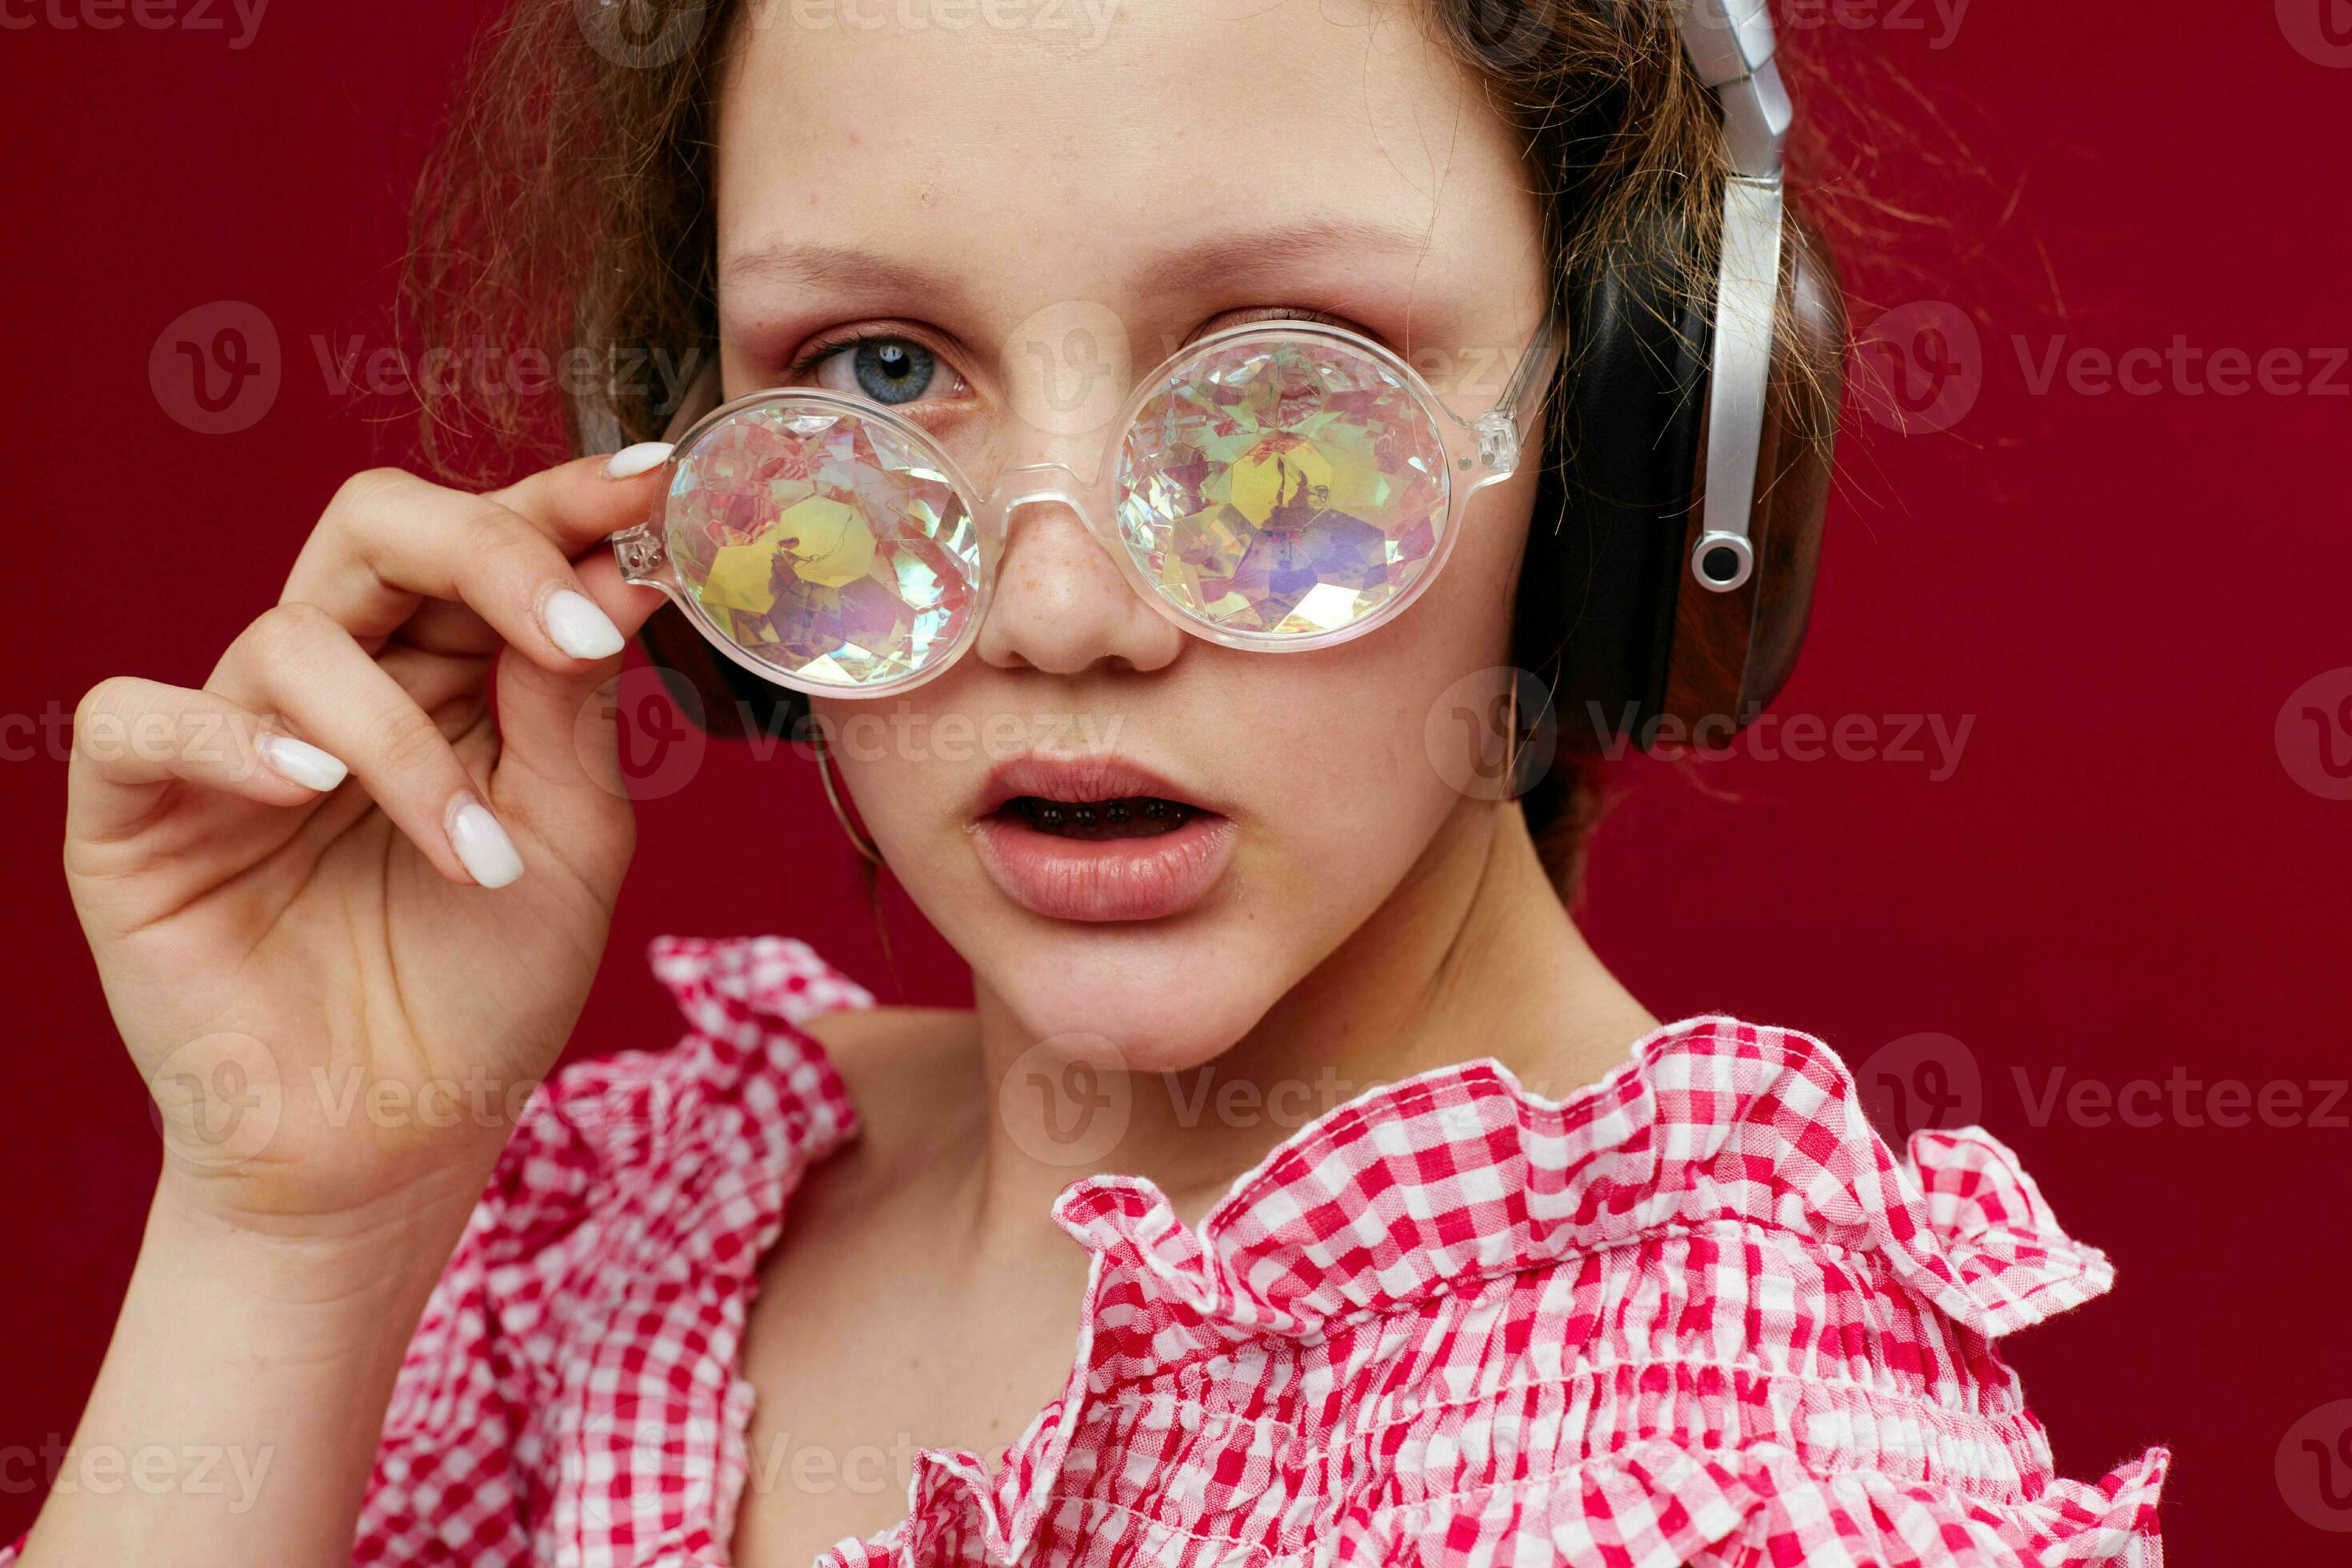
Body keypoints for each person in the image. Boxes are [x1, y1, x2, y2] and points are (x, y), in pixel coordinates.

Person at [21, 0, 2167, 1562]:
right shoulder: (593, 1254)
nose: (1059, 610)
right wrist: (287, 1232)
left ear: (1620, 453)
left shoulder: (1735, 1476)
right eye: (874, 371)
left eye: (1284, 377)